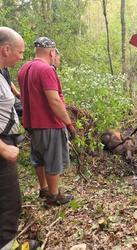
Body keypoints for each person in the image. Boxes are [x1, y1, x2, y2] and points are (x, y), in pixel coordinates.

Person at [18, 37, 76, 206]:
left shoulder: (24, 68)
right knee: (53, 159)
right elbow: (54, 100)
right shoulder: (46, 70)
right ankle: (53, 196)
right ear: (51, 52)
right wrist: (69, 124)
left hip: (31, 123)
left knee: (39, 158)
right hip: (48, 123)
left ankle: (43, 188)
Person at [0, 26, 39, 250]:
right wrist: (3, 148)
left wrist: (19, 99)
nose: (22, 57)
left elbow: (10, 90)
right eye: (20, 52)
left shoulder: (3, 71)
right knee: (8, 203)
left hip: (8, 140)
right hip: (2, 146)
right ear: (5, 49)